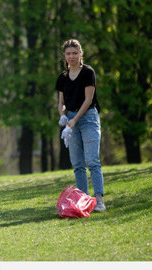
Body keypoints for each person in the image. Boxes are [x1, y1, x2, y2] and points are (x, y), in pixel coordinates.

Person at [55, 39, 106, 212]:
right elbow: (61, 102)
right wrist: (63, 116)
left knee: (92, 160)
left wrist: (74, 120)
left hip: (88, 118)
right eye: (68, 53)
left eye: (75, 53)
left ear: (80, 53)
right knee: (77, 163)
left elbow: (88, 100)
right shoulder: (62, 77)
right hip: (70, 120)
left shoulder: (87, 72)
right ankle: (84, 201)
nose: (72, 56)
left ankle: (99, 200)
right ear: (65, 55)